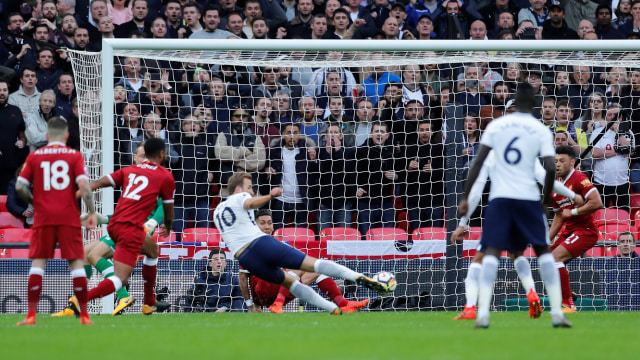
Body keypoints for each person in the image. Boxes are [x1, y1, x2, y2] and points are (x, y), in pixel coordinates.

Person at [458, 83, 571, 328]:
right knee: (542, 252)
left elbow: (477, 163)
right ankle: (556, 314)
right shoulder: (539, 129)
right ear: (534, 106)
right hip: (529, 199)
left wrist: (466, 198)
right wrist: (545, 202)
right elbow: (550, 168)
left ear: (513, 102)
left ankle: (483, 315)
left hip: (500, 199)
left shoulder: (496, 125)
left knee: (491, 253)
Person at [214, 172, 387, 315]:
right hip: (258, 245)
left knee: (291, 282)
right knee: (313, 264)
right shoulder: (240, 197)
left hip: (245, 257)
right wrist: (270, 195)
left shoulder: (217, 212)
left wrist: (251, 305)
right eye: (249, 187)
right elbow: (250, 202)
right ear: (238, 189)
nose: (251, 191)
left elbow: (241, 273)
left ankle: (334, 308)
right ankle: (361, 278)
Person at [451, 147, 585, 320]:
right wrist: (572, 195)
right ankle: (532, 292)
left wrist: (462, 223)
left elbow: (476, 190)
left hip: (501, 205)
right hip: (528, 206)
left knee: (479, 258)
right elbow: (546, 179)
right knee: (517, 254)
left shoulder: (492, 154)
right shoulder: (529, 154)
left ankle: (470, 307)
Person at [54, 142, 169, 316]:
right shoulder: (132, 176)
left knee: (95, 255)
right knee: (84, 253)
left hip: (136, 231)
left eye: (147, 155)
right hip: (121, 227)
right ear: (135, 158)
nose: (145, 159)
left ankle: (112, 297)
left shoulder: (155, 178)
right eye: (141, 156)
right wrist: (101, 218)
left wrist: (153, 222)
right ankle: (74, 305)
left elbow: (162, 207)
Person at [15, 117, 98, 326]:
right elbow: (85, 187)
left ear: (47, 135)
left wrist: (35, 201)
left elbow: (19, 187)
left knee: (38, 263)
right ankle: (85, 316)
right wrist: (92, 212)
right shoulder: (74, 155)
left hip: (43, 217)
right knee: (76, 264)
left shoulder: (35, 156)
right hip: (68, 216)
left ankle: (31, 315)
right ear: (67, 136)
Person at [238, 209, 370, 313]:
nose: (267, 227)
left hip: (278, 289)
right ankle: (278, 302)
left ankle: (342, 304)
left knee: (316, 268)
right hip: (262, 292)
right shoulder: (250, 247)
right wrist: (251, 306)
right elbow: (243, 278)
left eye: (269, 223)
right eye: (262, 223)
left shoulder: (280, 244)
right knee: (300, 265)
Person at [549, 145, 603, 312]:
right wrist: (547, 238)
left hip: (586, 231)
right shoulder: (555, 187)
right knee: (546, 262)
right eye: (556, 161)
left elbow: (597, 202)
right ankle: (569, 294)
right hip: (569, 231)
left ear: (572, 163)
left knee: (556, 258)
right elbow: (559, 216)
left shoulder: (579, 178)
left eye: (562, 161)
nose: (557, 164)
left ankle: (568, 304)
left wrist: (572, 211)